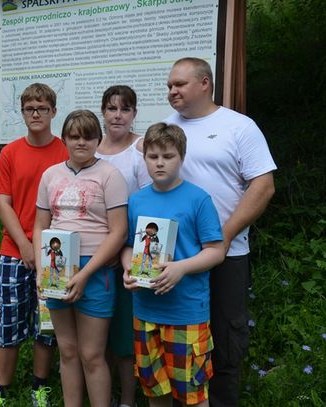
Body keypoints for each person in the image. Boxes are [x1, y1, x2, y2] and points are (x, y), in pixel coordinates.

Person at [164, 57, 276, 406]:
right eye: (169, 86)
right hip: (176, 257)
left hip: (227, 255)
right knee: (180, 341)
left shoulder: (238, 127)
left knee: (225, 342)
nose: (172, 91)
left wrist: (223, 237)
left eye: (179, 84)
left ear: (204, 84)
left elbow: (264, 185)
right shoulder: (166, 128)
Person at [122, 122, 225, 407]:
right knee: (155, 392)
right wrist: (127, 268)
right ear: (145, 159)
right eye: (153, 157)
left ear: (181, 157)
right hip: (145, 311)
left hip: (186, 312)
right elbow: (130, 245)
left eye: (168, 157)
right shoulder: (136, 201)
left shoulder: (198, 199)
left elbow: (216, 251)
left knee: (192, 395)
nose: (160, 163)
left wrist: (181, 268)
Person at [34, 109, 128, 407]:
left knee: (92, 354)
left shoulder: (110, 175)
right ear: (64, 139)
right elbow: (39, 226)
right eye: (74, 136)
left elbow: (119, 231)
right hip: (56, 267)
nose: (81, 143)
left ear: (98, 139)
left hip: (95, 269)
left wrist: (86, 274)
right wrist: (40, 269)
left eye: (88, 136)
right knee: (68, 350)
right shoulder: (50, 175)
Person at [0, 83, 68, 407]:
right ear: (21, 113)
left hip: (55, 253)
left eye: (42, 108)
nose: (36, 114)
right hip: (14, 249)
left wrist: (41, 246)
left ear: (53, 111)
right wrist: (23, 243)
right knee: (8, 319)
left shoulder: (65, 151)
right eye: (29, 109)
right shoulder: (11, 152)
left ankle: (39, 385)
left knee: (46, 324)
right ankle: (0, 390)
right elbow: (2, 202)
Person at [95, 85, 151, 407]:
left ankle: (128, 400)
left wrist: (126, 250)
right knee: (96, 330)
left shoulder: (140, 149)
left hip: (128, 254)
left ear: (134, 114)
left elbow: (146, 203)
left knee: (125, 337)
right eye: (112, 108)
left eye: (125, 109)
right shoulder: (91, 147)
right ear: (103, 111)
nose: (118, 115)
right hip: (94, 253)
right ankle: (101, 395)